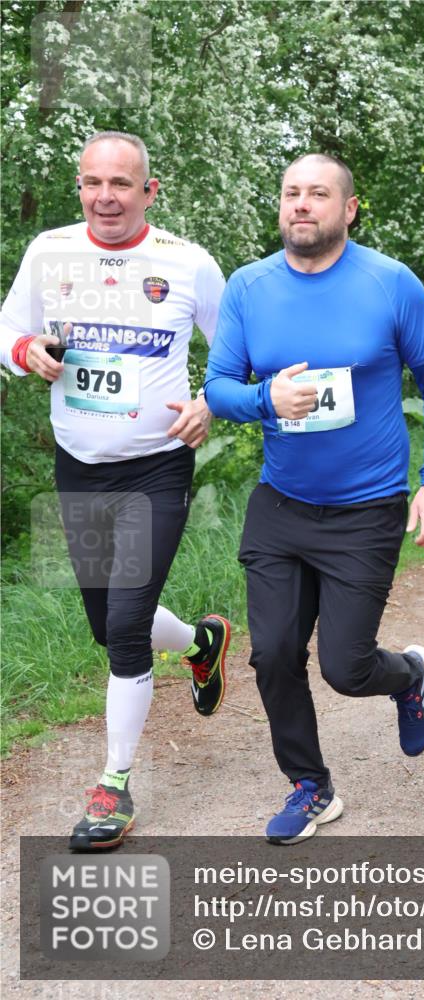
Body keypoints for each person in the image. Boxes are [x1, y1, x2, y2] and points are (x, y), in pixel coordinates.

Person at [205, 153, 424, 845]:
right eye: (291, 193)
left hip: (366, 507)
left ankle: (407, 676)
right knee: (272, 653)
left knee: (346, 669)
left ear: (347, 209)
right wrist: (265, 398)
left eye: (318, 194)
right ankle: (310, 786)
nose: (301, 205)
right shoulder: (249, 287)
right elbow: (218, 387)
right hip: (281, 503)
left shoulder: (388, 283)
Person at [0, 131, 231, 851]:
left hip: (157, 465)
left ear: (148, 192)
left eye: (122, 184)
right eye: (94, 182)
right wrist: (24, 351)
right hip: (79, 464)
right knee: (107, 625)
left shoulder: (188, 263)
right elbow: (9, 327)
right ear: (79, 187)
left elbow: (234, 351)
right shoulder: (49, 250)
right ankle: (201, 643)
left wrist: (210, 402)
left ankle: (113, 786)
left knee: (125, 628)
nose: (107, 196)